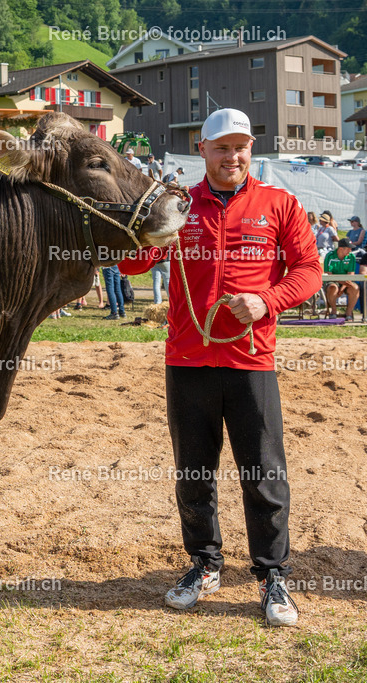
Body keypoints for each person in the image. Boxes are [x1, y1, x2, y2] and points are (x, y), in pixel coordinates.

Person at [119, 108, 320, 628]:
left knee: (264, 474)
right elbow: (131, 264)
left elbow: (309, 271)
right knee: (193, 472)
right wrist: (143, 222)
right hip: (187, 360)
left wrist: (267, 301)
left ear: (251, 150)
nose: (233, 156)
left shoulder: (280, 204)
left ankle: (272, 575)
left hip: (251, 360)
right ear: (202, 150)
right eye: (222, 147)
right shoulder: (181, 206)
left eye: (241, 147)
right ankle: (203, 565)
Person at [323, 238, 359, 319]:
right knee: (333, 287)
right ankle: (334, 310)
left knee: (355, 288)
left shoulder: (351, 257)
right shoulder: (330, 255)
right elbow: (329, 274)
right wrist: (342, 284)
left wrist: (343, 287)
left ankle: (349, 312)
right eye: (348, 248)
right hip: (333, 281)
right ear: (340, 248)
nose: (350, 250)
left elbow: (351, 274)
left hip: (346, 282)